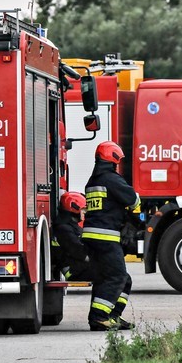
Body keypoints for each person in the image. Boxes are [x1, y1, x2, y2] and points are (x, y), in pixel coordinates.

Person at [81, 141, 139, 331]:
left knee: (109, 278)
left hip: (91, 237)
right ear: (113, 159)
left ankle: (111, 316)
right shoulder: (112, 179)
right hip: (106, 237)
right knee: (117, 276)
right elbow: (133, 199)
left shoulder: (93, 181)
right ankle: (99, 317)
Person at [52, 191, 90, 281]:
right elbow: (78, 250)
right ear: (74, 208)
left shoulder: (70, 226)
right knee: (113, 274)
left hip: (78, 267)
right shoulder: (64, 229)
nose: (85, 212)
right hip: (74, 271)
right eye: (83, 209)